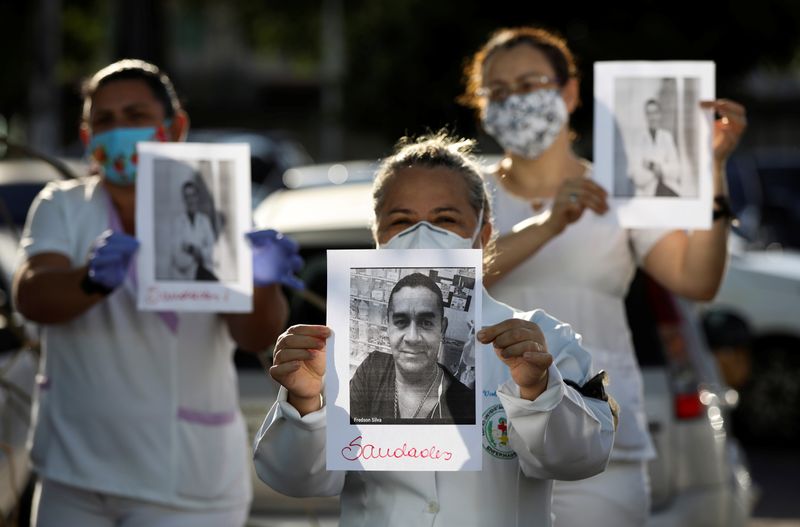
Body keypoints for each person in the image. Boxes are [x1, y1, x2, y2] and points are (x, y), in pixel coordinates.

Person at [459, 26, 746, 526]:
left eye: (529, 85)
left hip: (602, 440)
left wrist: (714, 170)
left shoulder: (621, 190)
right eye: (498, 92)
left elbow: (697, 280)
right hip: (489, 442)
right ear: (481, 105)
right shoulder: (466, 196)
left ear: (569, 92)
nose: (515, 102)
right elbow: (451, 280)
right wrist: (548, 226)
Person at [253, 133, 616, 526]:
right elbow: (294, 478)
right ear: (376, 235)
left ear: (484, 234)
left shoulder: (542, 340)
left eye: (445, 219)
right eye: (401, 220)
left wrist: (538, 391)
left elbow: (582, 458)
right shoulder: (334, 352)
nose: (421, 233)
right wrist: (305, 403)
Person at [13, 59, 303, 527]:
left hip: (186, 484)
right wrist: (90, 279)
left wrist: (261, 281)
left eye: (135, 116)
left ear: (176, 126)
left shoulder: (216, 206)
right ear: (87, 138)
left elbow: (255, 337)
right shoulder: (62, 206)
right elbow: (32, 295)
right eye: (103, 120)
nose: (118, 130)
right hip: (73, 476)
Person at [349, 272, 475, 424]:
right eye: (401, 322)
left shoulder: (465, 405)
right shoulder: (373, 368)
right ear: (388, 326)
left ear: (442, 329)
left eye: (426, 323)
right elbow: (344, 432)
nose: (412, 337)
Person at [628, 98, 682, 197]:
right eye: (649, 113)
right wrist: (661, 170)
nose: (652, 117)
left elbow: (677, 170)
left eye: (655, 113)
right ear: (645, 116)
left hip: (669, 190)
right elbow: (636, 177)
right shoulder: (638, 139)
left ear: (660, 115)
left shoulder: (667, 137)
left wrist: (651, 166)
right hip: (647, 194)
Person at [170, 179, 216, 281]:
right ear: (184, 199)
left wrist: (192, 250)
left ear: (197, 197)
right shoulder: (178, 223)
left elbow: (212, 250)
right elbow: (177, 258)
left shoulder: (204, 221)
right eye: (187, 197)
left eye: (193, 195)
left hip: (204, 274)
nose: (191, 200)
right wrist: (200, 254)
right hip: (184, 278)